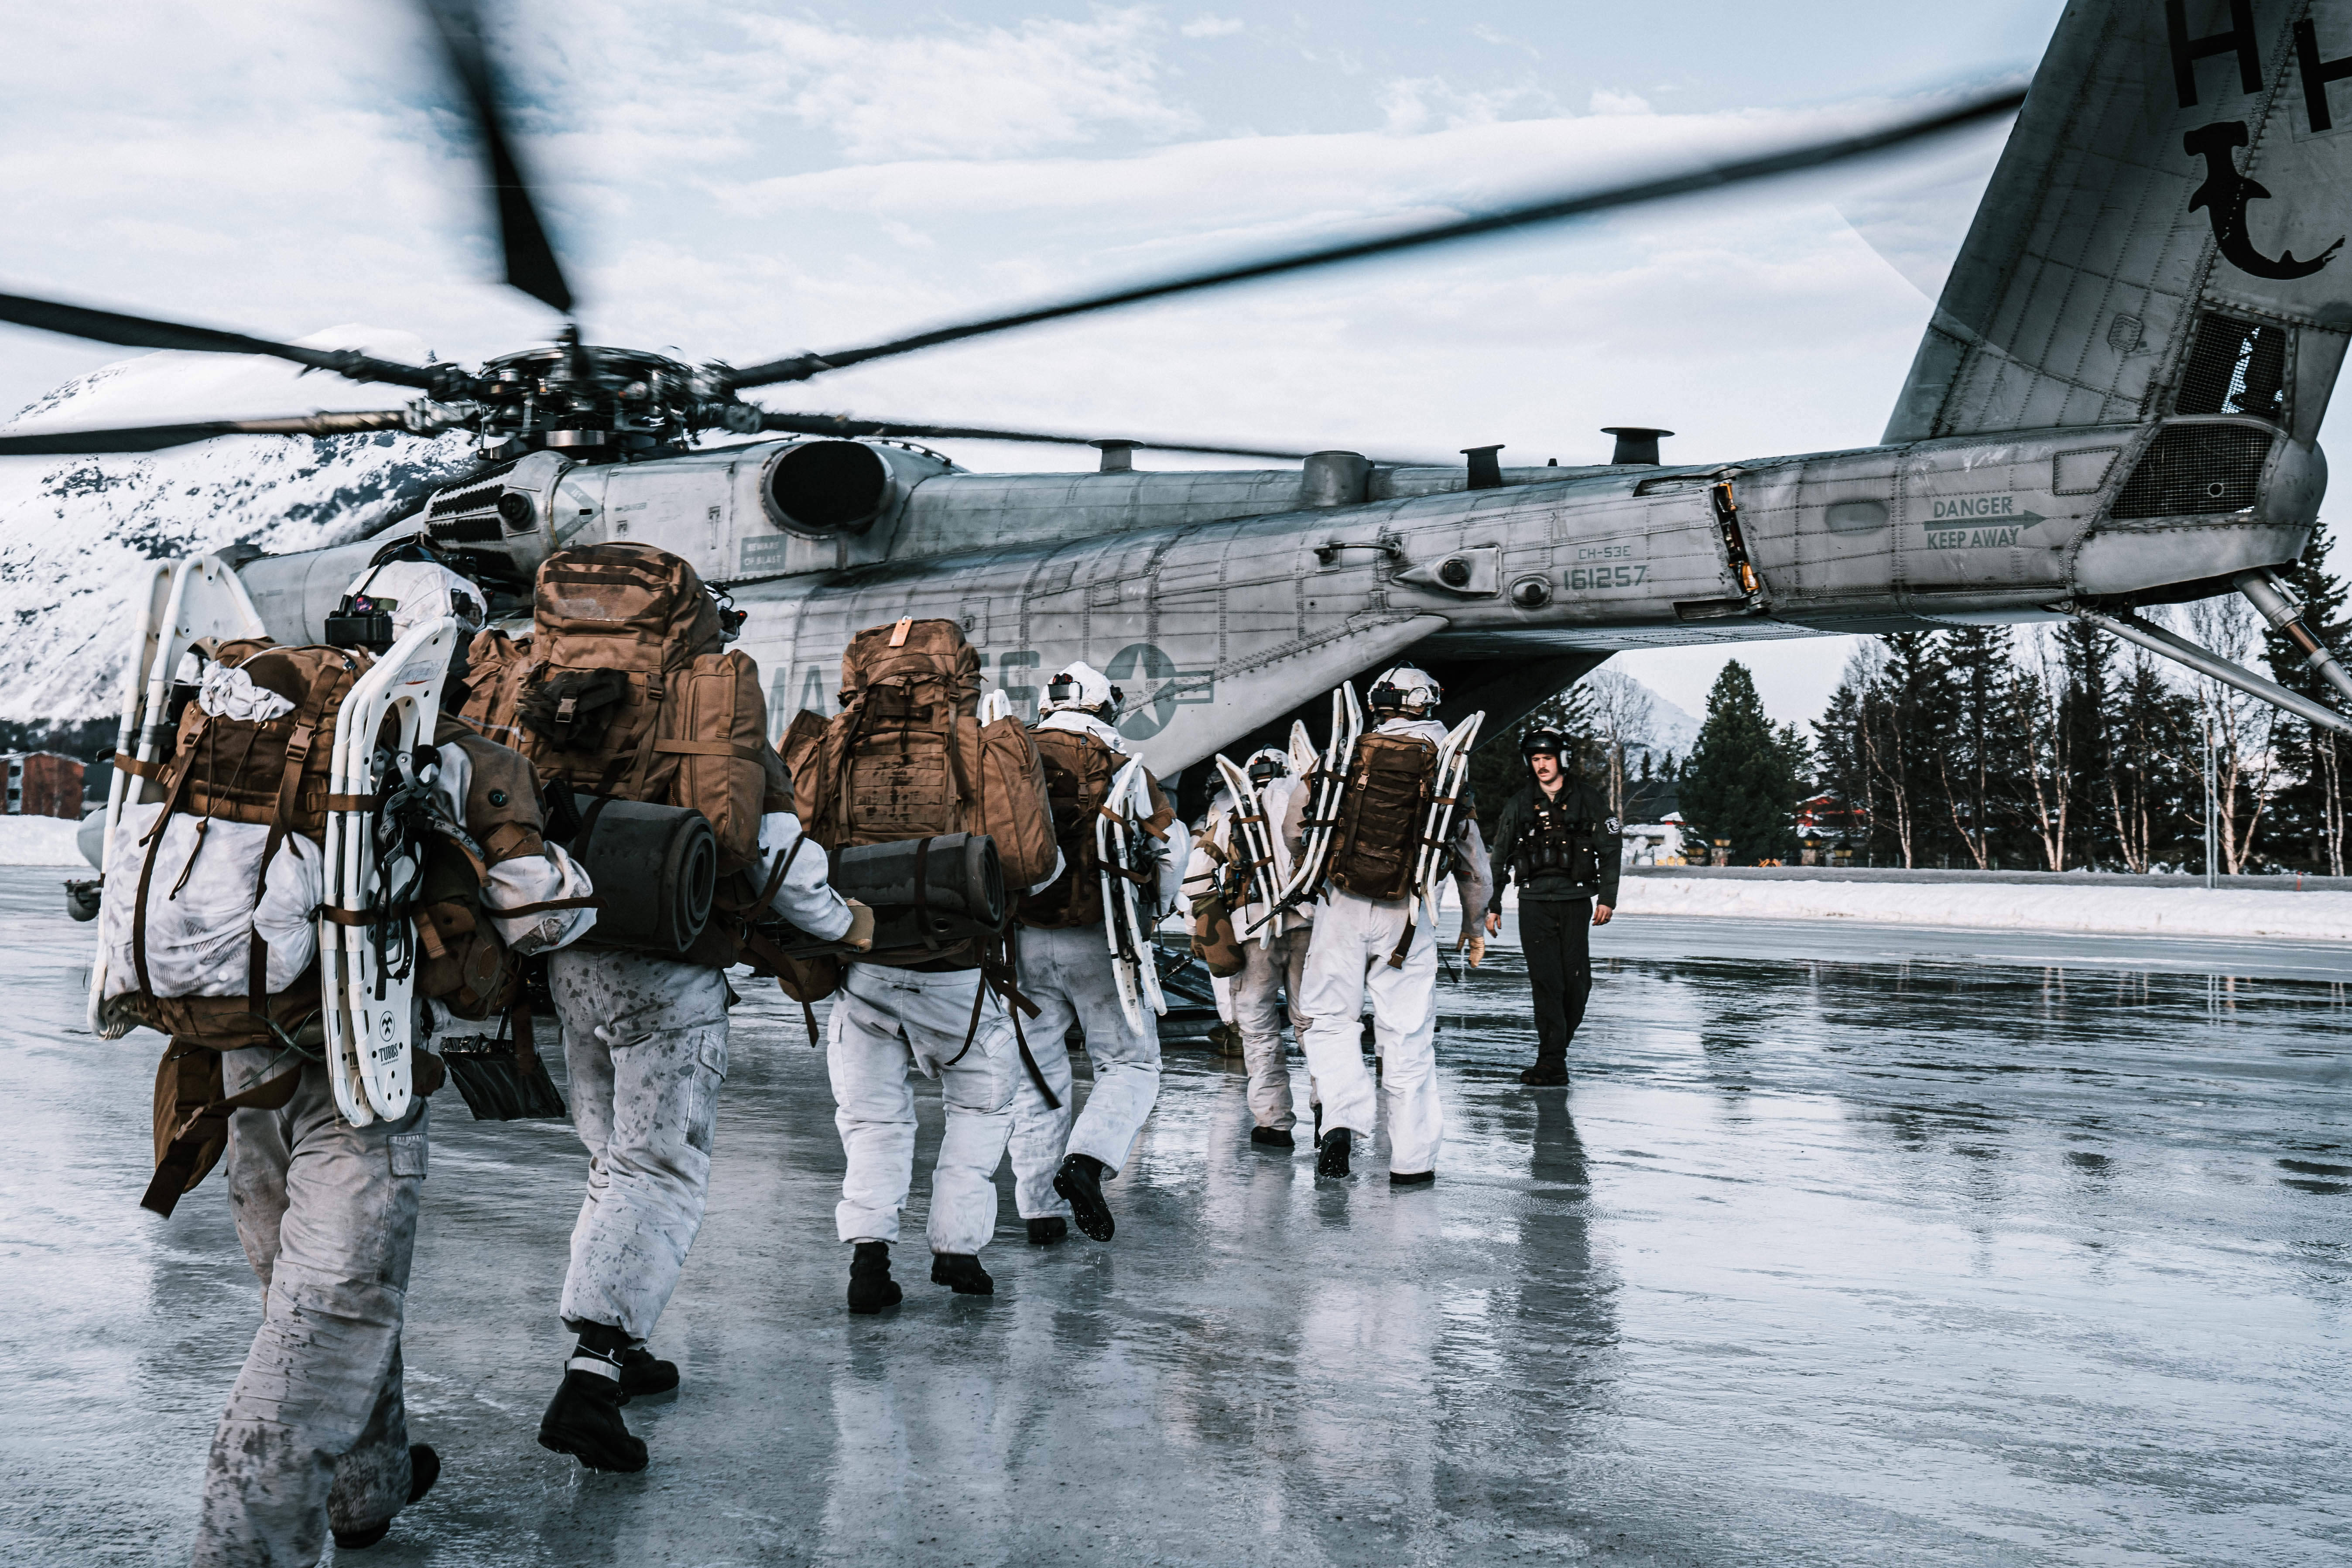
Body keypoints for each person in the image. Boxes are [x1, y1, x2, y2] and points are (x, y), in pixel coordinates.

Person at [102, 558, 599, 1563]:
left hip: (239, 1066)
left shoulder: (226, 729)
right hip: (360, 1078)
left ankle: (366, 1489)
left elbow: (105, 843)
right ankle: (244, 1541)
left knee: (299, 1290)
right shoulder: (450, 752)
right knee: (332, 1315)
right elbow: (543, 911)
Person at [511, 545, 861, 1472]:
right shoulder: (713, 715)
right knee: (659, 1169)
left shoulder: (557, 700)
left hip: (568, 958)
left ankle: (620, 1347)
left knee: (611, 1161)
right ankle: (591, 1376)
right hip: (666, 969)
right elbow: (779, 857)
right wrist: (845, 925)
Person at [794, 617, 1058, 1311]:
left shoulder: (833, 747)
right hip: (955, 975)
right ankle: (958, 1249)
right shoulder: (982, 747)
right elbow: (1032, 862)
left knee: (873, 1123)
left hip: (863, 969)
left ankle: (869, 1262)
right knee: (980, 1102)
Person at [1283, 665, 1490, 1185]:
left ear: (1379, 704)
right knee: (1408, 1036)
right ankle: (1412, 1161)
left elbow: (1294, 829)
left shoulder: (1345, 756)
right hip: (1411, 913)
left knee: (1330, 1021)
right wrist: (1474, 923)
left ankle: (1341, 1121)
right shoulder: (1445, 766)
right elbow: (1472, 860)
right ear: (1427, 703)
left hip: (1341, 905)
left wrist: (1312, 870)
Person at [1005, 662, 1186, 1243]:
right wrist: (1153, 911)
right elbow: (1168, 849)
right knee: (1130, 1063)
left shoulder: (1011, 757)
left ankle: (1037, 1212)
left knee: (1036, 1071)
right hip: (1101, 940)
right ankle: (1086, 1160)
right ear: (1104, 707)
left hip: (1022, 939)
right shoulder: (1123, 767)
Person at [1483, 727, 1621, 1086]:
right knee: (1546, 983)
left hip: (1575, 902)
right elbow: (1498, 858)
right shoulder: (1519, 803)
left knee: (1577, 985)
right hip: (1533, 904)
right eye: (1535, 760)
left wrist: (1607, 898)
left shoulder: (1588, 799)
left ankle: (1554, 1052)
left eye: (1547, 758)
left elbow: (1610, 849)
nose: (1541, 766)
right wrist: (1492, 904)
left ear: (1562, 759)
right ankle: (1551, 1061)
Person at [1204, 746, 1315, 1149]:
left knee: (1258, 1029)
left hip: (1252, 930)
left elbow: (1197, 878)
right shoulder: (1310, 803)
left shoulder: (1232, 812)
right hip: (1309, 924)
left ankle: (1273, 1123)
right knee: (1313, 1024)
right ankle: (1329, 1109)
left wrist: (1205, 936)